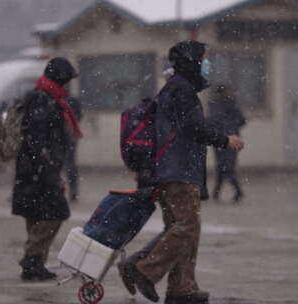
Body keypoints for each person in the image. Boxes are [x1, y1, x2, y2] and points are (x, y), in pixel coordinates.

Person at [118, 41, 244, 304]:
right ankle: (143, 270)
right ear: (192, 62)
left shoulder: (176, 88)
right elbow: (192, 128)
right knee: (186, 227)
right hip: (177, 170)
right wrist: (224, 140)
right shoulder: (182, 90)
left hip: (173, 169)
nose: (207, 64)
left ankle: (181, 289)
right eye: (203, 59)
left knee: (182, 229)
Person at [12, 57, 81, 281]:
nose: (69, 85)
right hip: (38, 171)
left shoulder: (46, 97)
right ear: (59, 79)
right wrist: (49, 169)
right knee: (55, 213)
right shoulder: (43, 100)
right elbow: (37, 140)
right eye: (67, 80)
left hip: (33, 170)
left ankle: (35, 264)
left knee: (37, 215)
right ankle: (32, 259)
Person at [208, 85, 246, 202]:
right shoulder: (233, 105)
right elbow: (242, 120)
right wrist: (233, 129)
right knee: (226, 166)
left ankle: (236, 192)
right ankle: (217, 193)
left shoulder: (216, 105)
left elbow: (212, 121)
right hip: (232, 139)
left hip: (221, 140)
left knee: (224, 167)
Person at [65, 96, 82, 202]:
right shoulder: (72, 101)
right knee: (70, 164)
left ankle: (72, 189)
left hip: (62, 137)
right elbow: (79, 116)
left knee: (68, 164)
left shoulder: (53, 99)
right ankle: (73, 190)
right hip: (70, 136)